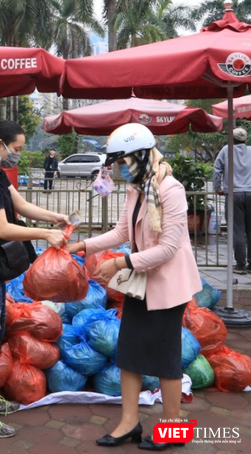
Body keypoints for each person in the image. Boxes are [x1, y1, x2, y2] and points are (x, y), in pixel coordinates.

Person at [66, 123, 201, 451]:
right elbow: (121, 232)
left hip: (168, 287)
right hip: (142, 284)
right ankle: (129, 423)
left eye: (123, 162)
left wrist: (121, 263)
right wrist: (82, 246)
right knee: (129, 353)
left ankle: (174, 428)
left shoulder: (171, 190)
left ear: (140, 156)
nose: (119, 169)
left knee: (165, 358)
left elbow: (169, 248)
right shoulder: (137, 188)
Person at [0, 121, 69, 438]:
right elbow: (2, 229)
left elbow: (19, 205)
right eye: (16, 149)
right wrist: (46, 233)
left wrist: (53, 217)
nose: (17, 155)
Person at [213, 127, 251, 274]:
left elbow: (217, 169)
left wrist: (217, 187)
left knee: (237, 230)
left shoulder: (226, 150)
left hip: (234, 194)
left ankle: (240, 265)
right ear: (245, 139)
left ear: (231, 138)